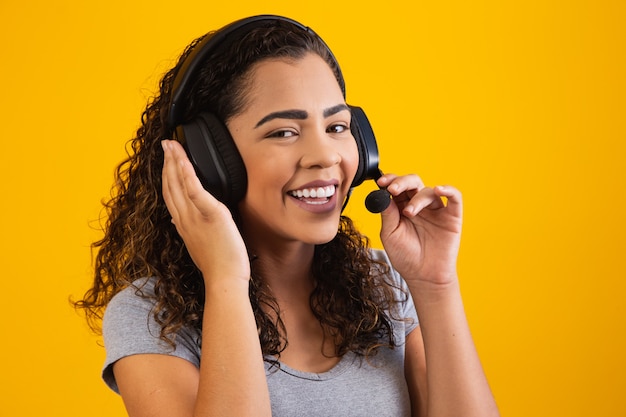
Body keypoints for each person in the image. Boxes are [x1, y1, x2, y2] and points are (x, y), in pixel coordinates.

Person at [76, 15, 499, 417]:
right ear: (210, 160)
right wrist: (225, 279)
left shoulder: (384, 284)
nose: (326, 156)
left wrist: (435, 284)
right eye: (284, 132)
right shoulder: (152, 314)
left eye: (337, 127)